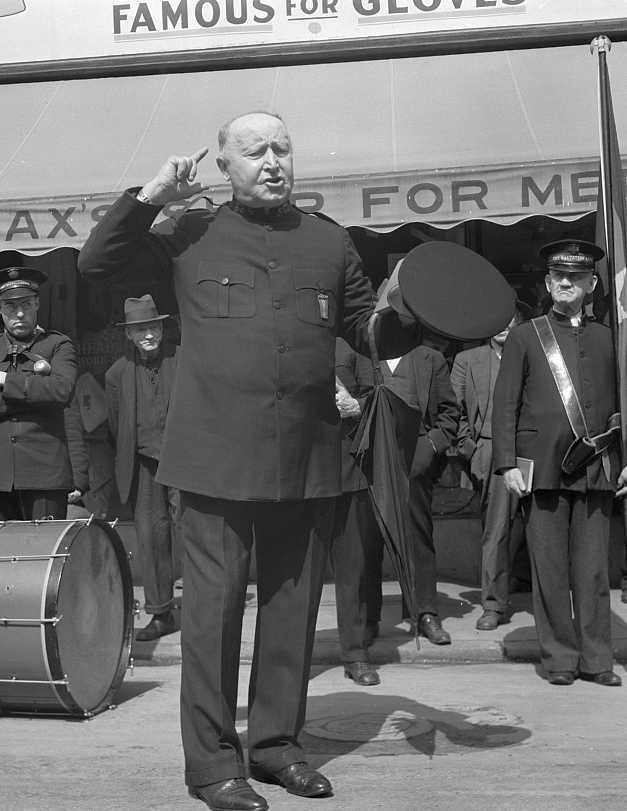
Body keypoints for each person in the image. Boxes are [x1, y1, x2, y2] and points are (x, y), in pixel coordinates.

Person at [78, 111, 424, 811]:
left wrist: (405, 308)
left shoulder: (328, 243)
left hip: (307, 459)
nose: (272, 160)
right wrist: (149, 197)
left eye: (282, 148)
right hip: (213, 464)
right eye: (255, 150)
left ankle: (274, 748)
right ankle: (210, 766)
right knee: (210, 621)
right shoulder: (186, 235)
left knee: (293, 614)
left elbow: (366, 327)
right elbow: (95, 264)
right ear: (224, 165)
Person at [493, 239, 626, 687]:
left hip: (596, 468)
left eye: (576, 277)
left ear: (591, 284)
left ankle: (597, 661)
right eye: (558, 277)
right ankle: (561, 660)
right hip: (542, 468)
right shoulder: (525, 335)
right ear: (548, 283)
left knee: (592, 571)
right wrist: (506, 462)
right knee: (548, 570)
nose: (566, 283)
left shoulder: (610, 338)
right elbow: (505, 403)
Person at [0, 267, 77, 523]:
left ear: (37, 303)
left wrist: (3, 381)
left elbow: (62, 390)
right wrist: (35, 395)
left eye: (25, 304)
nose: (20, 313)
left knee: (44, 556)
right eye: (11, 306)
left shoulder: (58, 345)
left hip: (44, 472)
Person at [105, 294, 180, 642]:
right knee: (151, 538)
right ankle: (161, 612)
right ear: (129, 335)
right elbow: (116, 426)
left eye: (152, 326)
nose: (147, 334)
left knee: (192, 533)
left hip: (185, 462)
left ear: (162, 327)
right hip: (145, 466)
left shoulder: (183, 361)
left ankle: (199, 608)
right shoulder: (117, 374)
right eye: (139, 329)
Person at [451, 302, 530, 630]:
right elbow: (451, 411)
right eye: (498, 320)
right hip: (490, 452)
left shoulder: (530, 355)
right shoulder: (467, 360)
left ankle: (537, 591)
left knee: (537, 525)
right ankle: (493, 605)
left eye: (511, 320)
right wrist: (471, 450)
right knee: (496, 530)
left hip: (529, 450)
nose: (504, 326)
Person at [379, 334, 459, 645]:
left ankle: (425, 612)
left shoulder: (430, 358)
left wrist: (430, 447)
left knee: (418, 536)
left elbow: (450, 414)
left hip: (415, 461)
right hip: (371, 460)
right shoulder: (362, 356)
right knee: (366, 538)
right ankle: (365, 618)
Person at [330, 338, 382, 686]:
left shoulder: (351, 346)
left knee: (352, 569)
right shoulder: (281, 337)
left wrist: (356, 404)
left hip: (346, 471)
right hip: (295, 476)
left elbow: (377, 395)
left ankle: (355, 653)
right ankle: (289, 658)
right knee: (292, 575)